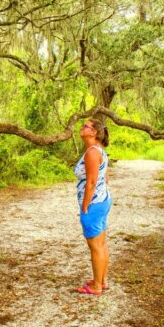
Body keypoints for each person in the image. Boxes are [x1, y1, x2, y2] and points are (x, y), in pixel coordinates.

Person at [74, 118, 111, 296]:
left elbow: (92, 182)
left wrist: (85, 207)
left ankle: (96, 287)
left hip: (94, 203)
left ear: (93, 132)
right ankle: (101, 280)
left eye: (85, 126)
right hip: (102, 200)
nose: (82, 128)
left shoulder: (92, 153)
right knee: (101, 243)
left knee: (95, 245)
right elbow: (106, 178)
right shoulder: (99, 151)